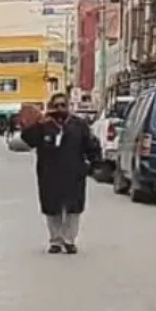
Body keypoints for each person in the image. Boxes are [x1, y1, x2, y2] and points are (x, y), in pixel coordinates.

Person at [19, 93, 102, 254]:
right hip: (49, 173)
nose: (59, 109)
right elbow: (28, 140)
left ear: (68, 106)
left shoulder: (79, 125)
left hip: (74, 173)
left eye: (63, 105)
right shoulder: (44, 126)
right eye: (56, 106)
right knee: (52, 208)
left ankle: (69, 240)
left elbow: (91, 146)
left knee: (73, 209)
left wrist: (94, 164)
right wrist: (38, 123)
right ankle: (55, 240)